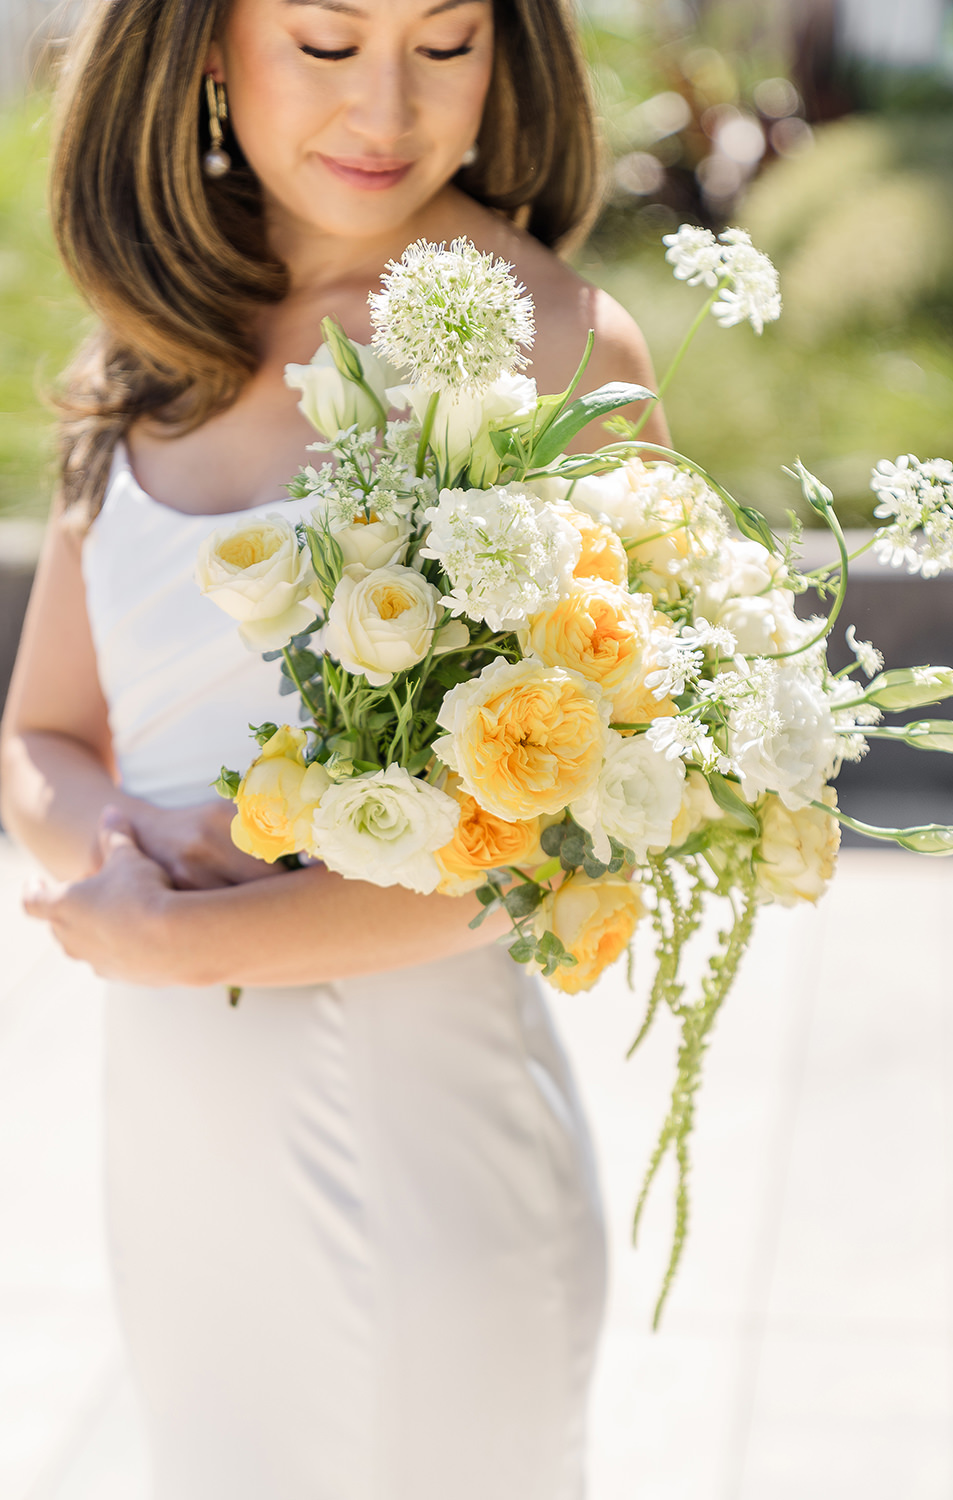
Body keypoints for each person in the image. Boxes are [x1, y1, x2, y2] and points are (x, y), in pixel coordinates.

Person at [1, 0, 668, 1493]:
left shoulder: (554, 344)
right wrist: (124, 855)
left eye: (444, 46)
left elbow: (567, 846)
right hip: (179, 1159)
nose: (388, 109)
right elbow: (43, 734)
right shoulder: (146, 344)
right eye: (326, 41)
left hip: (426, 1177)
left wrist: (171, 944)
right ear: (207, 48)